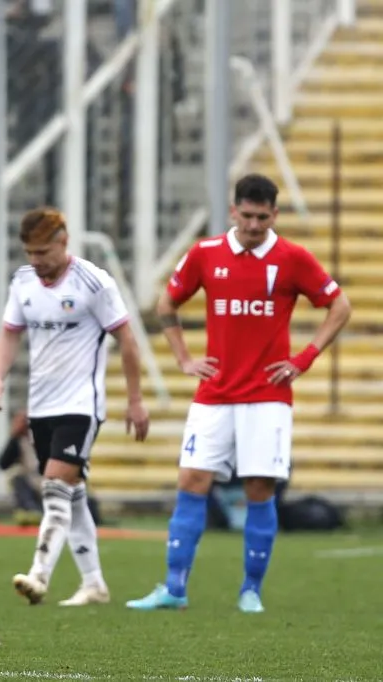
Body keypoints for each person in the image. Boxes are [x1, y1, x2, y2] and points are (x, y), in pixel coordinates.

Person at [126, 174, 351, 613]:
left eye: (262, 217)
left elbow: (339, 307)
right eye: (246, 216)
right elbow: (167, 304)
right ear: (233, 211)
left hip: (268, 396)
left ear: (275, 215)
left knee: (259, 488)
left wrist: (303, 358)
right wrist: (184, 359)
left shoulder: (292, 258)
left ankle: (251, 590)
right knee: (191, 481)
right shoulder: (206, 253)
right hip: (214, 394)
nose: (253, 225)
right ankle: (174, 588)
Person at [0, 207, 150, 607]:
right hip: (41, 406)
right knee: (71, 494)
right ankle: (94, 584)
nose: (36, 260)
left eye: (43, 252)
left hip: (81, 404)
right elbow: (10, 333)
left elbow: (128, 340)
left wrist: (135, 399)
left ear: (64, 242)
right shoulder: (23, 281)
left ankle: (39, 574)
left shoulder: (94, 282)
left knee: (55, 486)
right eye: (30, 252)